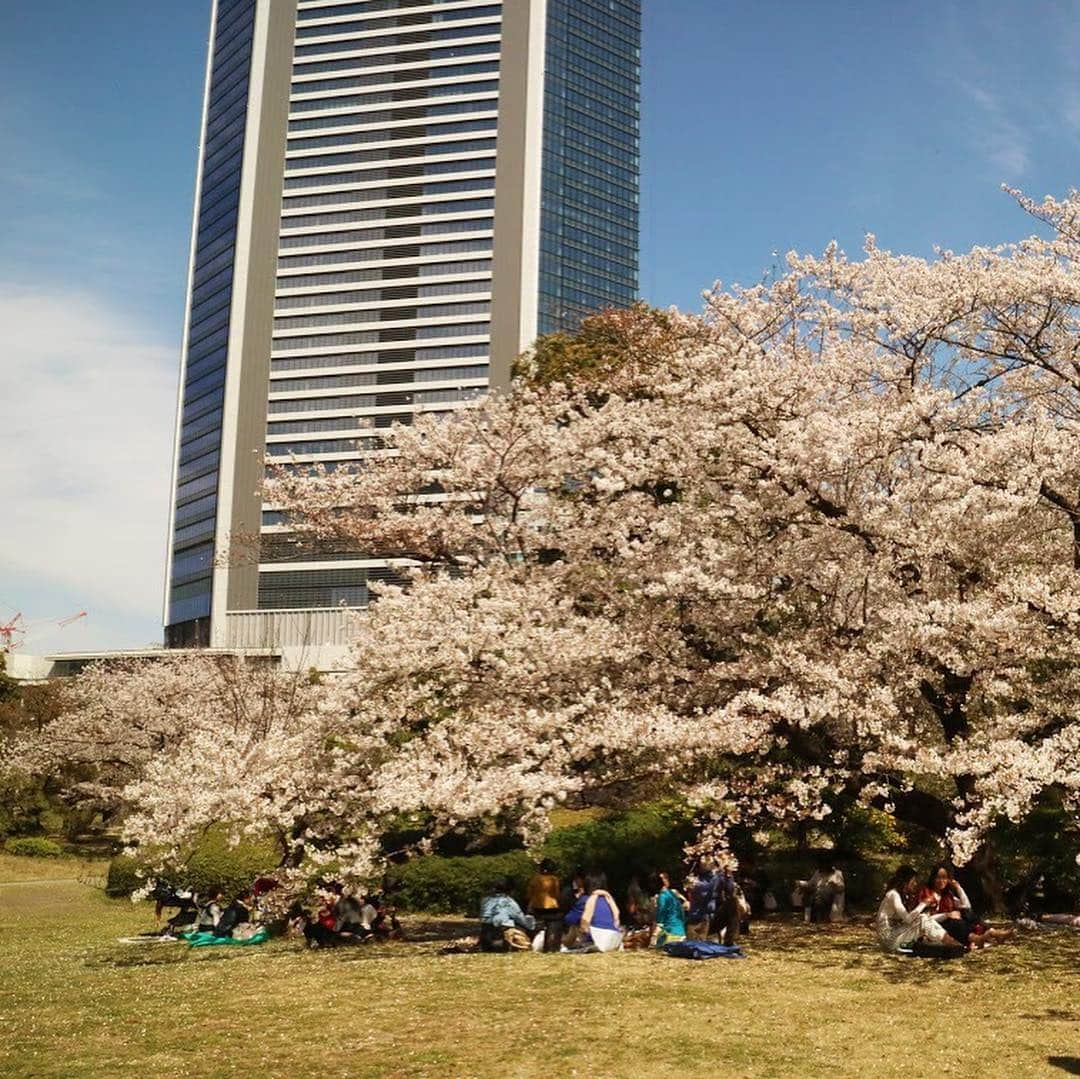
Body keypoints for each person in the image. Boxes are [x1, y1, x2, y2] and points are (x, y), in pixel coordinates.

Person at [875, 864, 964, 954]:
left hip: (896, 933)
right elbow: (908, 919)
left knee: (924, 918)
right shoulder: (893, 895)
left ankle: (951, 944)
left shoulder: (904, 895)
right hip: (889, 939)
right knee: (923, 919)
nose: (915, 884)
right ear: (905, 882)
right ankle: (953, 944)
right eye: (913, 881)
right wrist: (923, 903)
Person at [920, 865, 1013, 948]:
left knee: (967, 913)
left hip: (950, 923)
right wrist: (947, 915)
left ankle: (993, 932)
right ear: (933, 879)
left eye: (944, 878)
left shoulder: (947, 895)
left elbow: (966, 906)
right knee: (954, 922)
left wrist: (958, 888)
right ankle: (977, 939)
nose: (941, 881)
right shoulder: (927, 894)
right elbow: (925, 920)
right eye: (938, 878)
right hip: (935, 927)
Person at [565, 872, 622, 953]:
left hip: (599, 941)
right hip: (614, 939)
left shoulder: (585, 899)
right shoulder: (608, 899)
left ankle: (565, 944)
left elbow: (569, 919)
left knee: (574, 925)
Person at [478, 877, 535, 952]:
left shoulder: (485, 900)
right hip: (503, 938)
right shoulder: (508, 901)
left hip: (485, 937)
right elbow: (520, 919)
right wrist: (531, 923)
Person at [526, 858, 562, 953]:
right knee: (552, 926)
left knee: (538, 926)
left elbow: (529, 894)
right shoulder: (554, 879)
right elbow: (557, 894)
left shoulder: (535, 879)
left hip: (537, 907)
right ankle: (550, 945)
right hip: (552, 907)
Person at [653, 871, 690, 947]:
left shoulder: (662, 897)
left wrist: (658, 926)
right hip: (681, 931)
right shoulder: (673, 894)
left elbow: (661, 913)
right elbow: (682, 910)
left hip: (671, 933)